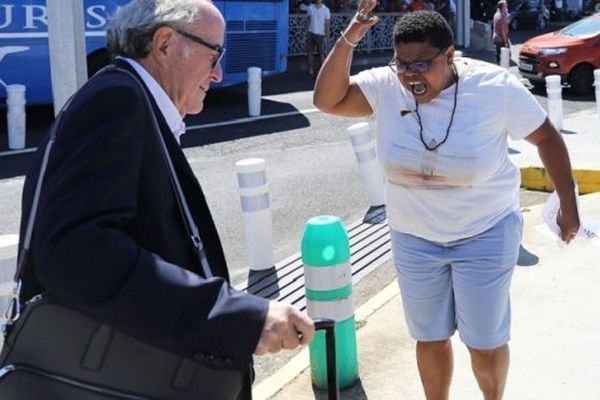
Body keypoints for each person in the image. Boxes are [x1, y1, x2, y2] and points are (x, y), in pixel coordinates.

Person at [17, 0, 314, 398]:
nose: (219, 72)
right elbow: (76, 253)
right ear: (163, 44)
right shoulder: (117, 101)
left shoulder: (125, 97)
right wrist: (235, 317)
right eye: (215, 54)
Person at [314, 4, 579, 399]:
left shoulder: (494, 88)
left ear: (449, 55)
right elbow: (327, 100)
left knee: (484, 342)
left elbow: (546, 138)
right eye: (402, 64)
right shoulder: (388, 85)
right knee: (430, 337)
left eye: (421, 64)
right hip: (414, 238)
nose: (410, 74)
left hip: (485, 232)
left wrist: (568, 204)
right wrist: (351, 34)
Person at [306, 0, 331, 75]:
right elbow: (308, 20)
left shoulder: (326, 9)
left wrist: (327, 35)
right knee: (312, 53)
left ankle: (320, 71)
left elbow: (327, 24)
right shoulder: (311, 8)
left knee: (320, 53)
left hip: (319, 34)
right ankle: (311, 70)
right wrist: (306, 31)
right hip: (313, 33)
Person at [492, 0, 510, 65]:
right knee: (505, 56)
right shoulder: (502, 16)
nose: (507, 6)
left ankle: (497, 66)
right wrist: (505, 41)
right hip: (501, 39)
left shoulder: (496, 14)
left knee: (497, 55)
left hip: (495, 37)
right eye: (506, 5)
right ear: (503, 7)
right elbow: (503, 30)